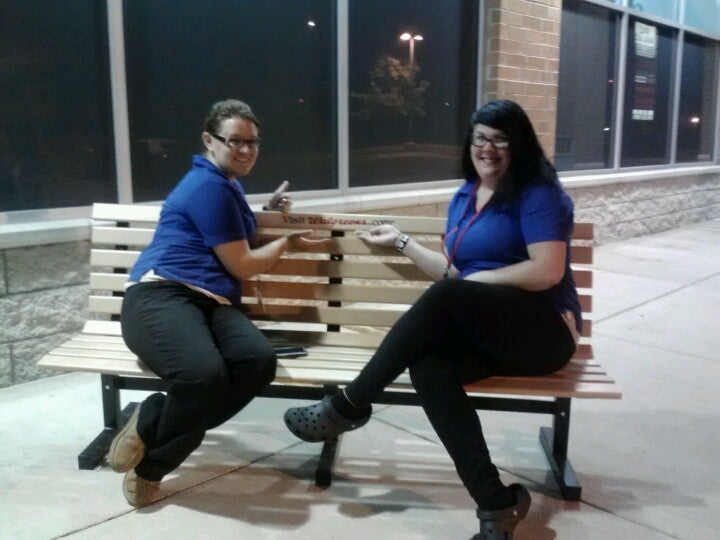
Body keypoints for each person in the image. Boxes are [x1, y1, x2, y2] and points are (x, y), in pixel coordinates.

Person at [284, 100, 581, 539]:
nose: (488, 148)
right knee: (429, 368)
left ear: (519, 144)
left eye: (500, 139)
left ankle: (348, 405)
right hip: (492, 330)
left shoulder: (537, 193)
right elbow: (455, 276)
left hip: (544, 331)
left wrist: (476, 282)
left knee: (447, 299)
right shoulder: (464, 197)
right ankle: (495, 504)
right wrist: (401, 242)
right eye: (480, 138)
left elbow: (546, 271)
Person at [108, 99, 325, 507]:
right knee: (204, 376)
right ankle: (153, 467)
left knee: (257, 362)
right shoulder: (208, 186)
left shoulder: (226, 185)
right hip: (161, 296)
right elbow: (242, 264)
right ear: (209, 140)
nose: (246, 150)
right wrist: (286, 242)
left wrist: (266, 213)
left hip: (211, 304)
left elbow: (230, 236)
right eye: (235, 141)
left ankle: (152, 421)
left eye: (253, 142)